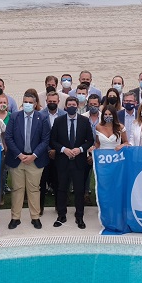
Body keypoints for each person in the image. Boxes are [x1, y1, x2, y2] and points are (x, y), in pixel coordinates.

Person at [3, 89, 52, 229]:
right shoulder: (14, 117)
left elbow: (45, 140)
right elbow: (8, 137)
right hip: (17, 159)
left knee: (34, 189)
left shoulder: (42, 118)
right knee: (17, 189)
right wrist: (19, 154)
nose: (27, 104)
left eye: (30, 102)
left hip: (35, 160)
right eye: (25, 102)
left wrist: (33, 155)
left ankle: (35, 217)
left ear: (35, 104)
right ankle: (15, 217)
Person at [49, 96, 95, 228]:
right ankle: (61, 215)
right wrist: (63, 150)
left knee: (79, 190)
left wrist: (80, 149)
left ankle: (79, 216)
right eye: (69, 104)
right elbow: (53, 141)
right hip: (62, 160)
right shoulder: (58, 121)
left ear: (77, 106)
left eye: (74, 104)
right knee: (62, 189)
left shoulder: (84, 121)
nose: (71, 106)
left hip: (79, 161)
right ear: (65, 106)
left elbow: (90, 141)